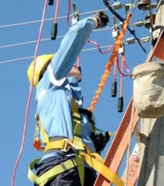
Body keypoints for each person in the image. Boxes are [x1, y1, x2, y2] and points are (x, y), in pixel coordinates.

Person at [26, 11, 112, 186]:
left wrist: (91, 143)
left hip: (73, 168)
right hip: (63, 166)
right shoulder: (50, 80)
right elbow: (75, 36)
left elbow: (71, 125)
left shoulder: (57, 99)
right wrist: (94, 21)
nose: (72, 66)